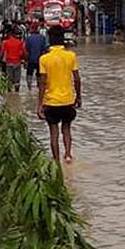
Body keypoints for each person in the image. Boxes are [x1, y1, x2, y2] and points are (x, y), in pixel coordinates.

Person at [37, 26, 82, 164]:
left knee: (53, 133)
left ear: (49, 39)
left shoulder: (44, 59)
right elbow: (77, 79)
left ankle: (56, 162)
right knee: (67, 129)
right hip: (68, 100)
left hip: (51, 102)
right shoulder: (71, 56)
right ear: (63, 38)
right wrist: (78, 96)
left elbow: (43, 83)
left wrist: (40, 105)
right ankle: (68, 155)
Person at [25, 23, 48, 91]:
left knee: (29, 74)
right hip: (40, 60)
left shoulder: (28, 39)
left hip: (31, 60)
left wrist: (25, 61)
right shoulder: (42, 38)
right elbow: (45, 50)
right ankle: (39, 87)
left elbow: (26, 51)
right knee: (39, 75)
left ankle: (29, 88)